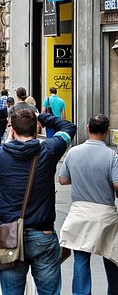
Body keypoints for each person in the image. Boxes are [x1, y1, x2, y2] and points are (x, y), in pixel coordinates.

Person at [0, 110, 76, 295]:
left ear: (12, 130)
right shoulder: (49, 149)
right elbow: (68, 127)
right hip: (43, 233)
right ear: (36, 128)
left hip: (9, 235)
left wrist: (8, 142)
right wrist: (41, 116)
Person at [58, 114, 118, 295]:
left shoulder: (73, 152)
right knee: (112, 256)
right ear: (106, 132)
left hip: (80, 213)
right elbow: (116, 184)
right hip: (105, 214)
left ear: (87, 128)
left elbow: (62, 180)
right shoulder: (111, 155)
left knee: (81, 257)